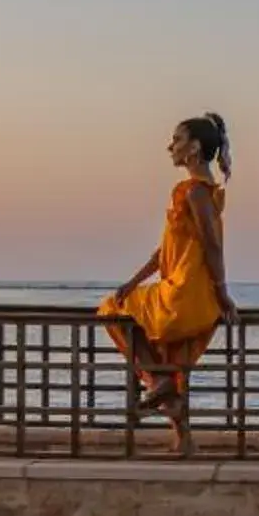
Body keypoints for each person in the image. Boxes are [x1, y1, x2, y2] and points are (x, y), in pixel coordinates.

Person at [100, 114, 234, 453]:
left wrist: (223, 294)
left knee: (109, 310)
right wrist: (133, 282)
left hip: (186, 294)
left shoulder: (194, 192)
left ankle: (158, 381)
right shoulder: (202, 192)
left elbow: (212, 245)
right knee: (168, 354)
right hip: (185, 290)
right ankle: (182, 437)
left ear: (194, 148)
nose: (169, 146)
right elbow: (167, 251)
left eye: (176, 140)